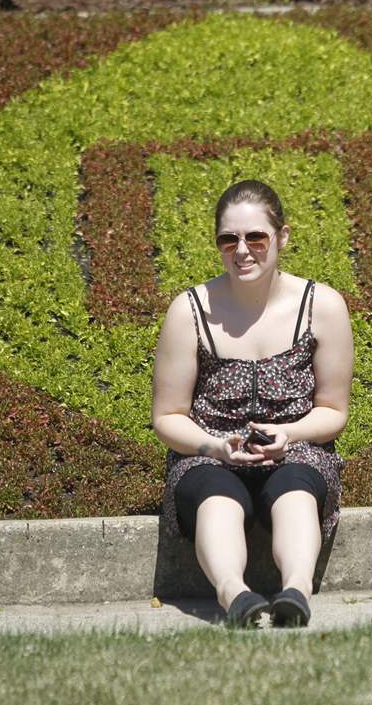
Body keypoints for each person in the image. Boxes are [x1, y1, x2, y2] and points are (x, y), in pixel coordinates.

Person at [151, 180, 353, 628]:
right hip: (208, 452)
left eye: (256, 237)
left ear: (282, 237)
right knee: (215, 496)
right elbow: (167, 417)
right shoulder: (188, 310)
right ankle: (235, 596)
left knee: (297, 490)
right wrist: (214, 447)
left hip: (295, 447)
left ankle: (296, 591)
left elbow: (334, 410)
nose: (242, 251)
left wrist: (291, 434)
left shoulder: (322, 306)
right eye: (229, 240)